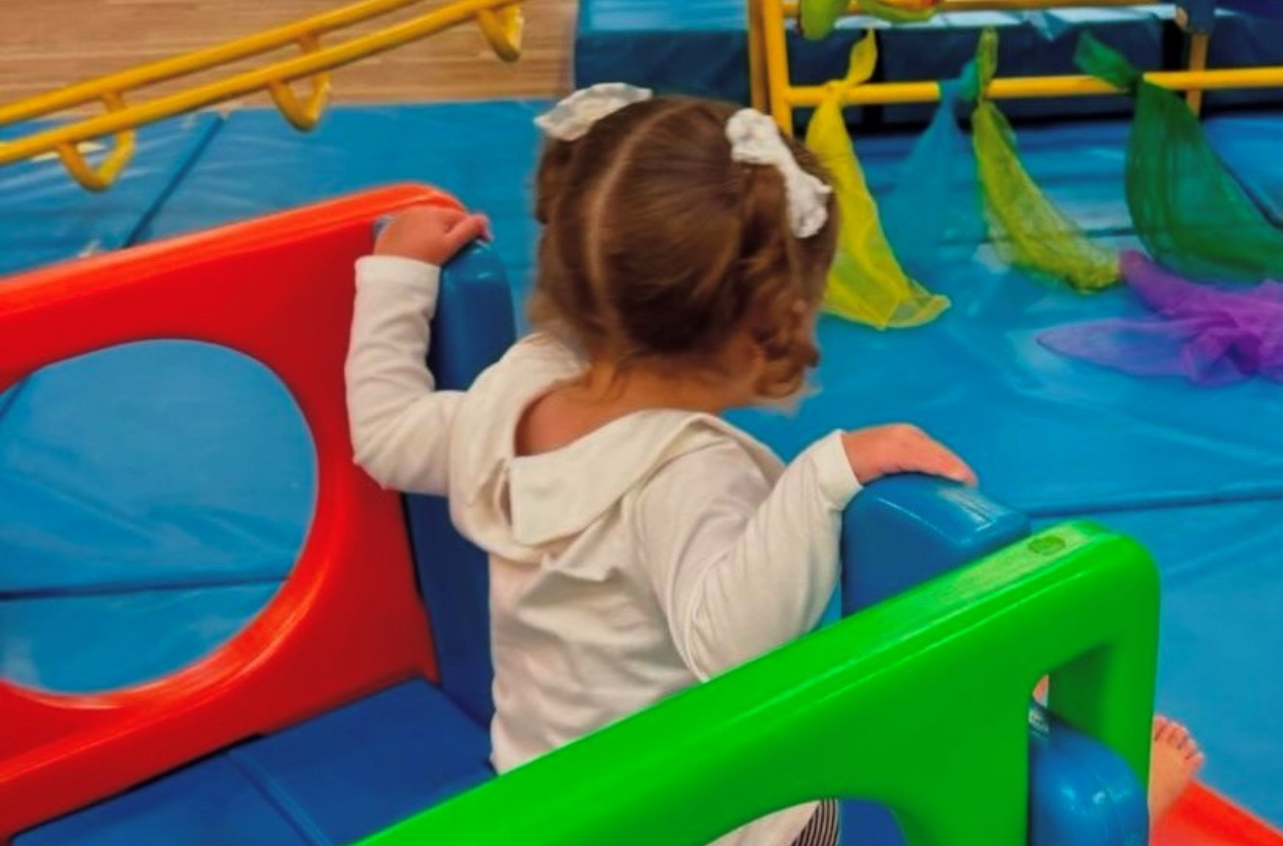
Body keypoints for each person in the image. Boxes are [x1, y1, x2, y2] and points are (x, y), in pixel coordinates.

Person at [344, 83, 1197, 846]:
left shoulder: (512, 397)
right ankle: (1121, 825)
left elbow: (386, 435)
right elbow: (731, 644)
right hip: (705, 824)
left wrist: (393, 277)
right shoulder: (683, 474)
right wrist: (825, 475)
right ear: (768, 327)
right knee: (907, 758)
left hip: (547, 805)